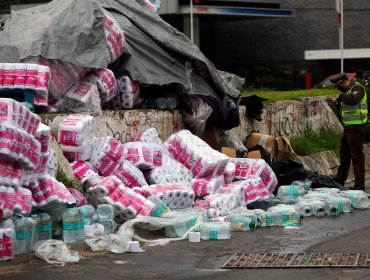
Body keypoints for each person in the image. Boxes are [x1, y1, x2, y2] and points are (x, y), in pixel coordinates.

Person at [330, 73, 368, 191]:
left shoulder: (357, 88)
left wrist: (340, 97)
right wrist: (337, 104)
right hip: (348, 127)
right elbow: (344, 109)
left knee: (356, 156)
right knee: (344, 154)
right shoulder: (346, 92)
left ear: (345, 81)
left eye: (340, 85)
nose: (340, 88)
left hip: (357, 127)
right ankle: (340, 180)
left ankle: (359, 185)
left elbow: (353, 100)